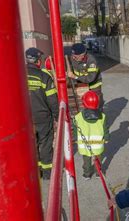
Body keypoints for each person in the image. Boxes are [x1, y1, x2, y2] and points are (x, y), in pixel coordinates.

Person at [25, 47, 59, 180]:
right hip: (43, 118)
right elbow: (53, 100)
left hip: (25, 118)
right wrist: (58, 117)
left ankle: (36, 171)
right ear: (38, 61)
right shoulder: (44, 76)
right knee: (45, 144)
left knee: (32, 145)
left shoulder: (18, 74)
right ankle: (47, 173)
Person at [73, 91, 109, 180]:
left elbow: (75, 130)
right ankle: (98, 173)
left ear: (84, 103)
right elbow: (105, 128)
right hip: (98, 144)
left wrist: (76, 139)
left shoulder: (77, 117)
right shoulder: (103, 116)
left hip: (85, 144)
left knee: (86, 160)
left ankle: (87, 174)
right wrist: (107, 138)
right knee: (98, 159)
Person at [67, 43, 104, 109]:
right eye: (73, 55)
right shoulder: (73, 58)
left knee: (96, 105)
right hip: (82, 85)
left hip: (94, 86)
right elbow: (71, 69)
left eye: (75, 56)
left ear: (82, 55)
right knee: (83, 104)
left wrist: (75, 77)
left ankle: (99, 115)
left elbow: (90, 78)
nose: (73, 57)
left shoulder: (91, 61)